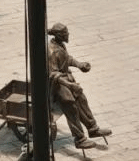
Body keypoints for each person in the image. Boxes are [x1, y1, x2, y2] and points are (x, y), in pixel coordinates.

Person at [48, 23, 112, 151]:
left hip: (66, 80)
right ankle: (79, 139)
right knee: (70, 104)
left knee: (81, 99)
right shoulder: (52, 52)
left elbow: (67, 59)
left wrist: (79, 64)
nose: (68, 35)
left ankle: (93, 128)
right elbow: (53, 74)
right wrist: (70, 85)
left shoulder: (60, 45)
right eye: (66, 33)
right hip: (57, 85)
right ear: (59, 35)